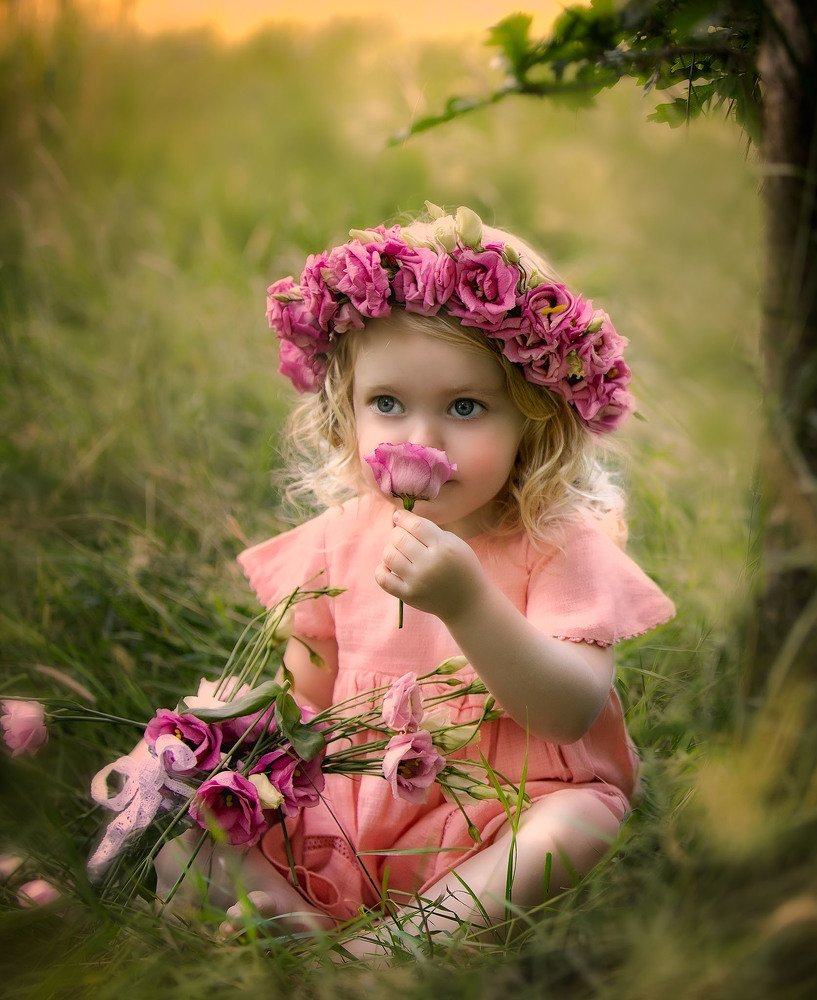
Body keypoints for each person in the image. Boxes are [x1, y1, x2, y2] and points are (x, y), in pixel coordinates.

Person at [157, 204, 674, 955]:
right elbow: (305, 701)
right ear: (346, 410)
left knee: (581, 820)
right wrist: (233, 732)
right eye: (388, 404)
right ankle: (286, 923)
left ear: (533, 418)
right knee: (176, 801)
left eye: (466, 407)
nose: (420, 440)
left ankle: (396, 947)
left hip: (491, 818)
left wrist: (468, 603)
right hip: (340, 815)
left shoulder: (555, 542)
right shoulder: (339, 540)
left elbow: (568, 713)